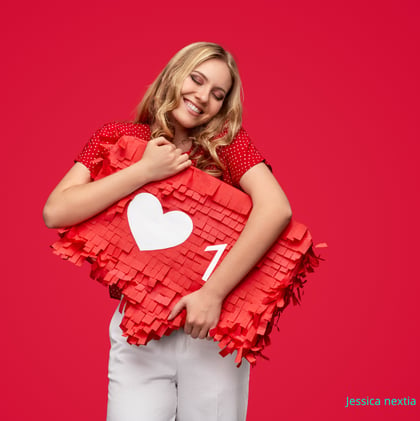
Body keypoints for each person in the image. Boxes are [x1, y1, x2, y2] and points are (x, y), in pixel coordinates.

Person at [43, 42, 292, 421]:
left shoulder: (227, 145)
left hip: (211, 330)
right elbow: (56, 211)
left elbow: (277, 209)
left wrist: (212, 294)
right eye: (196, 79)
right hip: (139, 329)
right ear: (174, 74)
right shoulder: (117, 136)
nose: (203, 97)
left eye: (217, 94)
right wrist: (145, 171)